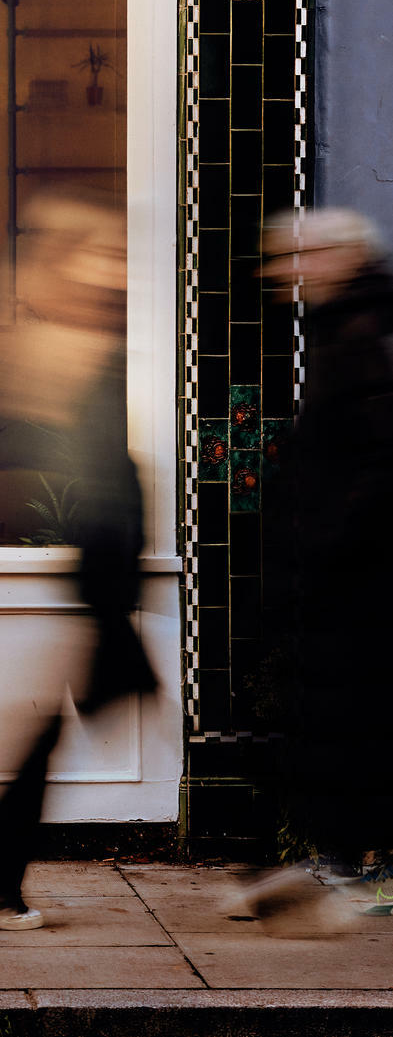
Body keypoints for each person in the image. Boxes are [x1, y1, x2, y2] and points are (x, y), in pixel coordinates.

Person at [0, 194, 156, 931]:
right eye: (106, 256)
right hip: (103, 565)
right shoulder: (64, 352)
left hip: (110, 564)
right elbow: (96, 471)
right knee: (68, 720)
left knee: (62, 720)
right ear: (69, 266)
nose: (119, 271)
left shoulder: (92, 347)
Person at [244, 208, 393, 926]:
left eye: (297, 255)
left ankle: (370, 870)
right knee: (339, 722)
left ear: (339, 256)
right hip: (344, 576)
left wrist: (326, 551)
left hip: (359, 580)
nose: (282, 271)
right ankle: (345, 861)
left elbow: (374, 466)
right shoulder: (343, 328)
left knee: (360, 720)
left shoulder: (365, 335)